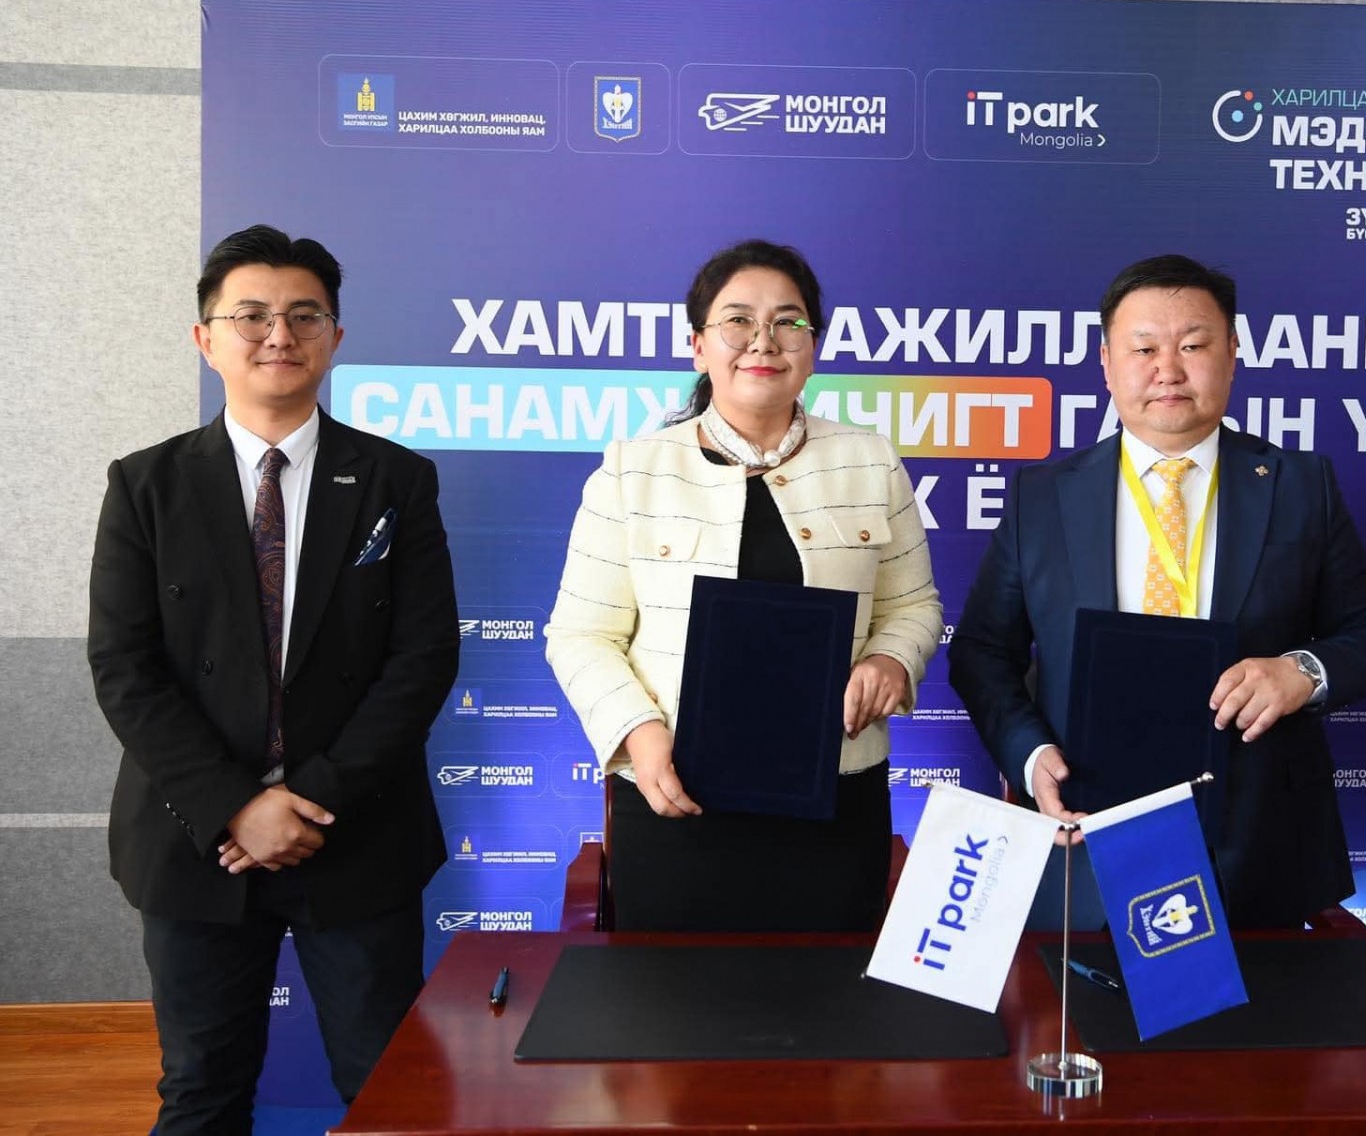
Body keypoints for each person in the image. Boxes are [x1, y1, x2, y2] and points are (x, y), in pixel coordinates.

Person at [88, 225, 460, 1132]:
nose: (278, 334)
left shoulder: (397, 481)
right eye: (250, 314)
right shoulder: (145, 485)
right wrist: (234, 806)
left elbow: (422, 661)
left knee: (387, 1092)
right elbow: (125, 666)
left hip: (357, 832)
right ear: (205, 337)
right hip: (195, 839)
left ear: (335, 336)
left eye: (304, 315)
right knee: (200, 1089)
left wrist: (310, 800)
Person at [949, 254, 1366, 928]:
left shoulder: (1299, 486)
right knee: (1088, 995)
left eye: (1193, 345)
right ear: (1106, 363)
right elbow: (982, 650)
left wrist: (1301, 672)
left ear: (1232, 355)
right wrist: (1030, 753)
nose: (1168, 368)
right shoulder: (1041, 497)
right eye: (1144, 348)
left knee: (1263, 999)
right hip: (1088, 824)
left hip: (1259, 836)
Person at [545, 240, 942, 930]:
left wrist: (891, 659)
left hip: (835, 801)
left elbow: (914, 605)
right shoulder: (632, 470)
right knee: (670, 995)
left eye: (789, 321)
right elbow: (580, 635)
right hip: (675, 798)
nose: (764, 340)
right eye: (738, 321)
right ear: (698, 346)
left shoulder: (870, 462)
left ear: (813, 347)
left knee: (829, 992)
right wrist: (639, 733)